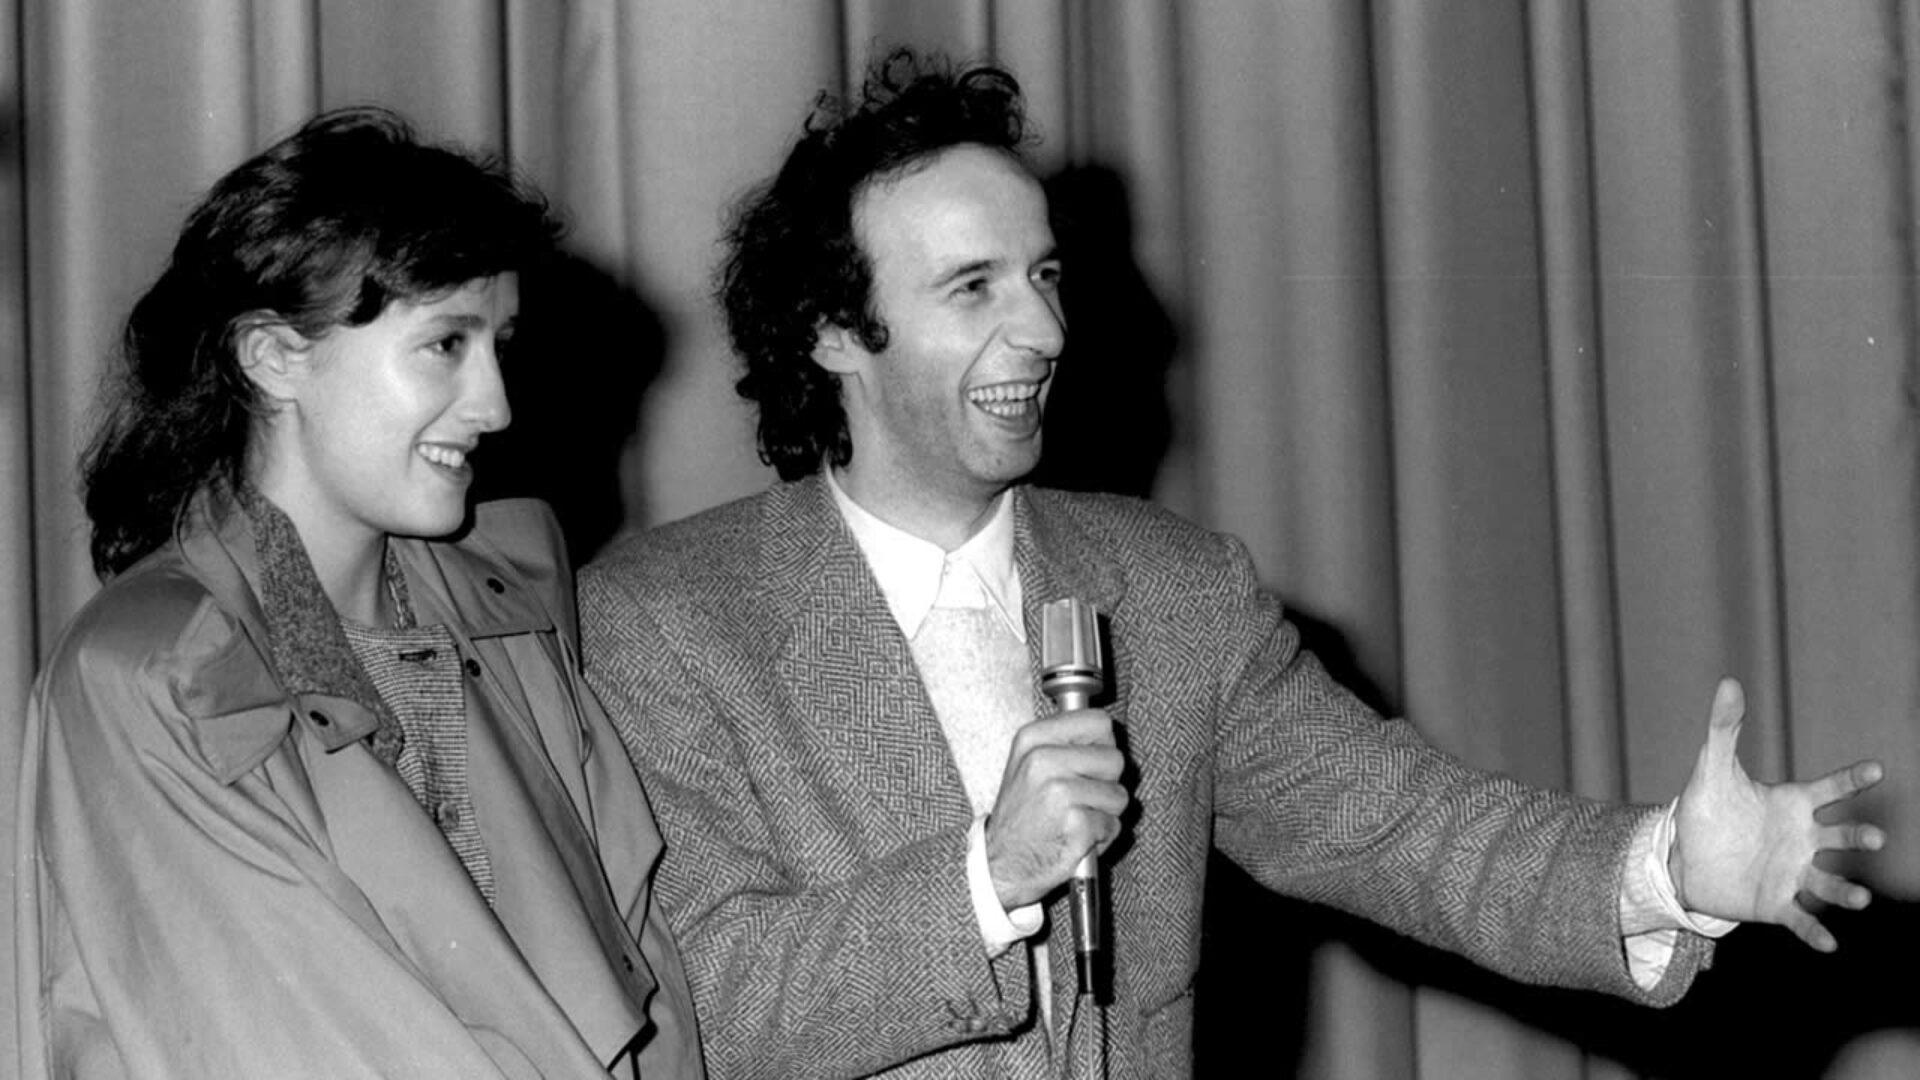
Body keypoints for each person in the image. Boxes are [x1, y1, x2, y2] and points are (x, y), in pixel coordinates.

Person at [578, 50, 1885, 1079]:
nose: (1043, 326)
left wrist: (1661, 870)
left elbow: (1400, 825)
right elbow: (708, 1004)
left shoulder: (1179, 588)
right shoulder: (663, 619)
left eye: (1044, 274)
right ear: (830, 333)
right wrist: (992, 877)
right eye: (973, 288)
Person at [14, 107, 702, 1079]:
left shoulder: (512, 618)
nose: (496, 404)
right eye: (444, 346)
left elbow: (648, 983)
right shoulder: (150, 677)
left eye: (498, 345)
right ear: (274, 357)